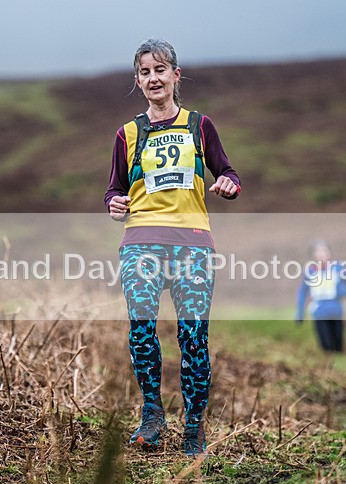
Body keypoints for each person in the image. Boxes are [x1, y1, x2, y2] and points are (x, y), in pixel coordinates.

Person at [104, 38, 241, 456]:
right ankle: (151, 416)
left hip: (193, 245)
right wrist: (114, 203)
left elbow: (228, 172)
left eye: (160, 70)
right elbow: (114, 190)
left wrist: (228, 185)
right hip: (141, 242)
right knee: (142, 329)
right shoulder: (127, 134)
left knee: (193, 336)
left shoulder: (200, 125)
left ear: (175, 75)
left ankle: (194, 428)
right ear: (137, 81)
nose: (153, 78)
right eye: (145, 72)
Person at [295, 240, 346, 353]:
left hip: (336, 311)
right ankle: (328, 367)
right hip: (319, 313)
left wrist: (344, 292)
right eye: (318, 252)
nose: (321, 255)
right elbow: (302, 292)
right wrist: (300, 313)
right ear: (313, 255)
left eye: (324, 251)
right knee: (326, 346)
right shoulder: (310, 272)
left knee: (339, 345)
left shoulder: (338, 268)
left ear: (329, 254)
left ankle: (340, 366)